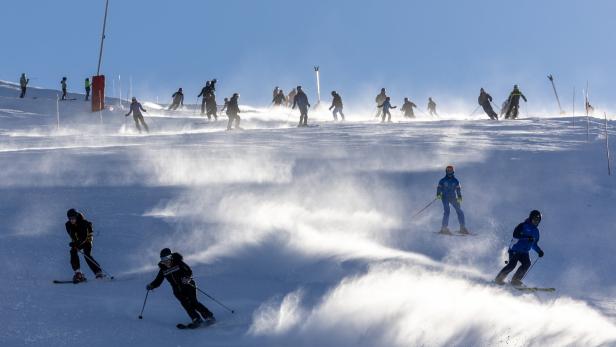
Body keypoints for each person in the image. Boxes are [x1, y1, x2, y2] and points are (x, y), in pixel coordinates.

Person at [146, 248, 216, 328]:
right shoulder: (163, 269)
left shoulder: (178, 263)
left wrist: (186, 278)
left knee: (193, 302)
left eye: (167, 258)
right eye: (163, 259)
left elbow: (189, 271)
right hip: (177, 290)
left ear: (171, 257)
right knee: (186, 304)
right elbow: (158, 280)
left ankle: (209, 316)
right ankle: (196, 319)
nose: (165, 261)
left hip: (188, 285)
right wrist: (152, 285)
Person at [495, 210, 544, 287]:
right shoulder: (523, 226)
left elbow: (533, 244)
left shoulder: (536, 232)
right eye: (534, 219)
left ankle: (515, 280)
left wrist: (539, 251)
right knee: (512, 265)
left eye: (538, 220)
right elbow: (515, 235)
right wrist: (526, 238)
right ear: (531, 218)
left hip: (524, 252)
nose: (536, 222)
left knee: (527, 263)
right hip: (515, 249)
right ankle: (499, 279)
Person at [65, 208, 103, 283]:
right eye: (70, 218)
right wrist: (74, 243)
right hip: (78, 241)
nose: (72, 220)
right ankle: (78, 273)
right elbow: (72, 235)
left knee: (87, 254)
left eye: (73, 218)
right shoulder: (68, 225)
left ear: (76, 216)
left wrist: (76, 243)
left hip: (87, 240)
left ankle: (98, 272)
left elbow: (84, 237)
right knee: (73, 251)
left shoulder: (83, 223)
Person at [436, 165, 468, 234]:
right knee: (447, 211)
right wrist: (438, 194)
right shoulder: (442, 180)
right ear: (446, 171)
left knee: (459, 211)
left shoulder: (456, 181)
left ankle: (462, 228)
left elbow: (458, 189)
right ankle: (444, 228)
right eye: (448, 170)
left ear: (453, 171)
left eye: (450, 170)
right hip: (445, 198)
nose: (449, 172)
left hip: (453, 197)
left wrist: (459, 197)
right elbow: (439, 188)